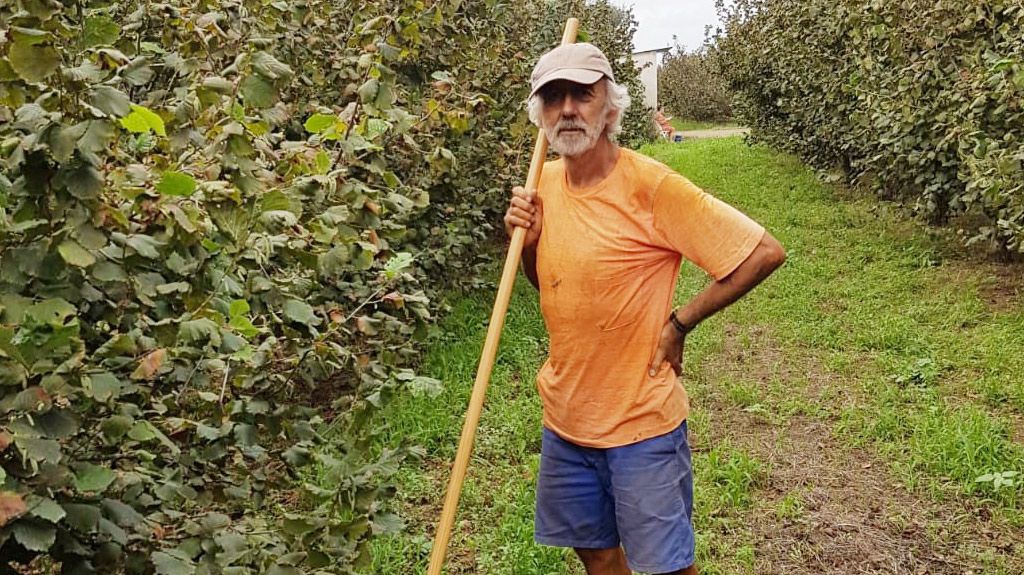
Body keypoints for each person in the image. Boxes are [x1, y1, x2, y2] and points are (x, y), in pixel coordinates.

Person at [503, 42, 786, 575]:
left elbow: (762, 253)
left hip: (641, 423)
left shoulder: (650, 186)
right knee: (596, 554)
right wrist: (532, 244)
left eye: (581, 95)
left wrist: (680, 322)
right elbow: (550, 285)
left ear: (609, 107)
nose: (567, 109)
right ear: (538, 113)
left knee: (666, 567)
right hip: (566, 417)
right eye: (553, 96)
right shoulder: (541, 187)